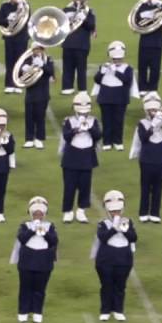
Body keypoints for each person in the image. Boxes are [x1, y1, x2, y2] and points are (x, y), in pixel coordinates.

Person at [91, 190, 137, 322]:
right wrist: (114, 228)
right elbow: (103, 238)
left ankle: (118, 310)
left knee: (120, 286)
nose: (115, 213)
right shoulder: (103, 223)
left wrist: (124, 229)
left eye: (117, 211)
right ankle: (105, 311)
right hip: (106, 260)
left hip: (124, 259)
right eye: (112, 211)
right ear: (107, 211)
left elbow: (133, 237)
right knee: (106, 285)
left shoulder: (128, 222)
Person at [11, 196, 58, 323]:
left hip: (44, 263)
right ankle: (23, 312)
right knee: (25, 289)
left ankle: (37, 312)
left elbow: (53, 241)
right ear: (31, 214)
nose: (38, 216)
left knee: (40, 289)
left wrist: (44, 232)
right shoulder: (25, 226)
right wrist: (33, 229)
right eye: (35, 214)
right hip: (27, 262)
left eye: (40, 214)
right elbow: (22, 238)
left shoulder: (50, 226)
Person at [59, 92, 102, 224]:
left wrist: (89, 128)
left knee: (85, 186)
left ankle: (81, 210)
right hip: (71, 158)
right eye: (81, 112)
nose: (83, 114)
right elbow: (66, 136)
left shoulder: (93, 121)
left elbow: (98, 135)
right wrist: (76, 130)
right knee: (69, 186)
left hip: (87, 157)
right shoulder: (69, 121)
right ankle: (68, 211)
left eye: (85, 112)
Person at [132, 93, 162, 223]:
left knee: (158, 187)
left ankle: (155, 213)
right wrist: (153, 125)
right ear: (147, 110)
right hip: (147, 160)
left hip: (161, 159)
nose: (154, 112)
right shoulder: (142, 123)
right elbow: (143, 138)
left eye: (156, 110)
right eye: (151, 110)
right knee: (145, 187)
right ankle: (143, 212)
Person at [91, 41, 139, 151]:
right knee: (106, 121)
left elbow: (127, 81)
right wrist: (102, 71)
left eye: (119, 59)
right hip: (105, 98)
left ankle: (118, 141)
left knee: (118, 121)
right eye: (115, 59)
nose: (117, 61)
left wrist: (115, 71)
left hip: (120, 99)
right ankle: (107, 142)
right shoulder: (104, 66)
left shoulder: (128, 68)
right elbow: (97, 80)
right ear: (110, 57)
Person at [134, 0, 162, 93]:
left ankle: (153, 89)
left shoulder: (161, 7)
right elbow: (136, 19)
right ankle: (142, 89)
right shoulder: (142, 6)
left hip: (157, 43)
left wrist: (161, 4)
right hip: (144, 42)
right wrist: (149, 17)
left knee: (155, 68)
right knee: (142, 67)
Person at [20, 45, 54, 149]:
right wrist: (24, 69)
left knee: (40, 117)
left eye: (39, 49)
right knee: (29, 117)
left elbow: (51, 72)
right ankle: (29, 139)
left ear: (43, 49)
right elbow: (19, 76)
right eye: (35, 49)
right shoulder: (27, 60)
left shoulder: (48, 59)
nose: (37, 51)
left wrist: (42, 65)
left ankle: (39, 138)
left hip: (43, 93)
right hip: (30, 93)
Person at [61, 0, 94, 94]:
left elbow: (91, 26)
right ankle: (67, 87)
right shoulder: (65, 10)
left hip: (82, 44)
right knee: (67, 67)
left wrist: (83, 19)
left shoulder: (89, 11)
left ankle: (82, 89)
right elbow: (60, 24)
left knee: (81, 68)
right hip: (68, 43)